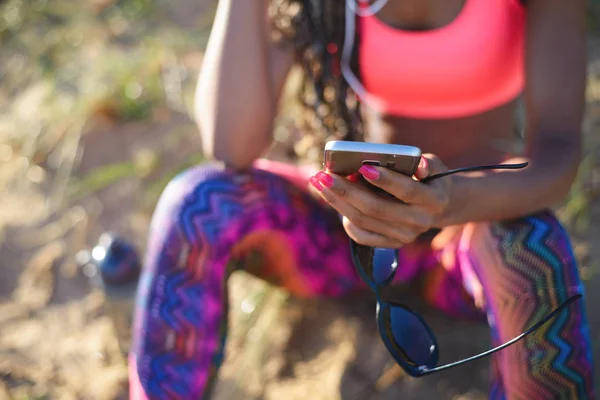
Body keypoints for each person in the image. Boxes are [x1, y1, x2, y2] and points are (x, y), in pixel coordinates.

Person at [128, 0, 596, 398]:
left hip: (465, 242)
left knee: (530, 245)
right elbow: (231, 144)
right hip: (346, 239)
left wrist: (452, 201)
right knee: (199, 203)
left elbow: (558, 155)